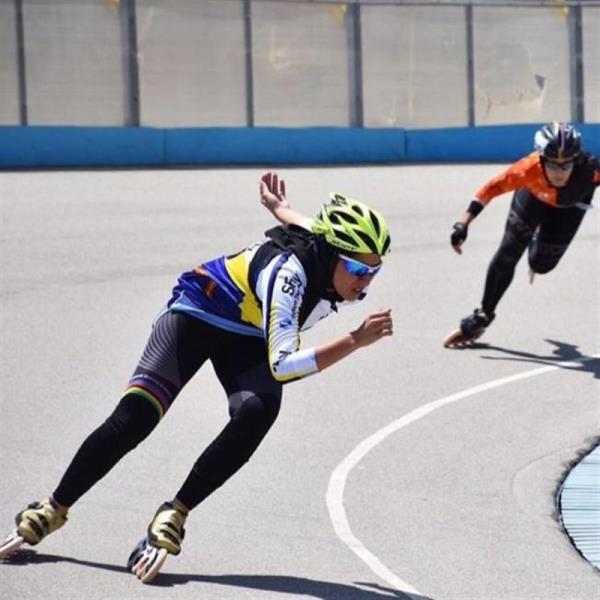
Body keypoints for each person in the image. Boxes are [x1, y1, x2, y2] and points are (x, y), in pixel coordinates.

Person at [0, 172, 392, 583]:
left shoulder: (331, 254)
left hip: (247, 333)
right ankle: (54, 507)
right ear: (331, 255)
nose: (365, 281)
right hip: (200, 310)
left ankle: (175, 512)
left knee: (258, 410)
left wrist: (280, 209)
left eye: (374, 271)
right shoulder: (288, 279)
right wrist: (355, 340)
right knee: (137, 416)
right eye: (357, 269)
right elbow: (282, 366)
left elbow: (308, 225)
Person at [444, 122, 600, 347]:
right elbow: (490, 189)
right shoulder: (527, 169)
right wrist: (463, 223)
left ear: (575, 160)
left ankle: (537, 237)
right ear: (542, 160)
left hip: (569, 208)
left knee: (541, 265)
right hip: (532, 198)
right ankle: (484, 315)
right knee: (507, 254)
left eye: (566, 165)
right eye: (552, 164)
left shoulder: (591, 171)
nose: (559, 172)